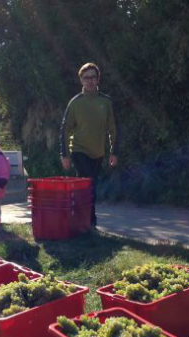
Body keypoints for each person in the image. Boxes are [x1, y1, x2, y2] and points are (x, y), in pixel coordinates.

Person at [60, 62, 118, 227]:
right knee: (88, 186)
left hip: (98, 153)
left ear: (98, 79)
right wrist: (65, 155)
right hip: (79, 151)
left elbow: (113, 129)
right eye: (86, 78)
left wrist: (114, 152)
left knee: (91, 188)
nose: (90, 81)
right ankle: (89, 223)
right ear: (81, 81)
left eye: (93, 77)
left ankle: (80, 219)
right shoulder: (75, 103)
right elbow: (65, 130)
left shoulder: (105, 102)